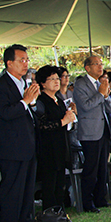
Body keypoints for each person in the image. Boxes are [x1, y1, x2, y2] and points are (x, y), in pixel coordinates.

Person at [0, 44, 42, 222]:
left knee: (27, 188)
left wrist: (31, 103)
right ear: (9, 63)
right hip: (11, 147)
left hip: (28, 144)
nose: (26, 64)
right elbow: (3, 113)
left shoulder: (25, 83)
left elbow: (33, 112)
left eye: (27, 60)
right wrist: (24, 102)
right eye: (22, 60)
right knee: (12, 189)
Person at [73, 55, 111, 213]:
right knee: (91, 168)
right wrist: (100, 94)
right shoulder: (80, 84)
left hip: (103, 130)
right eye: (96, 64)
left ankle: (100, 198)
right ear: (87, 68)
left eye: (101, 64)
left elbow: (110, 108)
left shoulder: (100, 83)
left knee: (103, 167)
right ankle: (87, 201)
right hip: (90, 132)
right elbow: (85, 106)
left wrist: (105, 94)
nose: (100, 67)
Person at [35, 65, 76, 212]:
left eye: (57, 78)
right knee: (50, 183)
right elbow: (42, 125)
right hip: (48, 148)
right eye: (51, 79)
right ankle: (50, 213)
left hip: (61, 145)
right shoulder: (41, 101)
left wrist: (70, 117)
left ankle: (60, 211)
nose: (56, 81)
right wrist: (62, 121)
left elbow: (65, 122)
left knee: (60, 182)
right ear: (43, 83)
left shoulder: (58, 99)